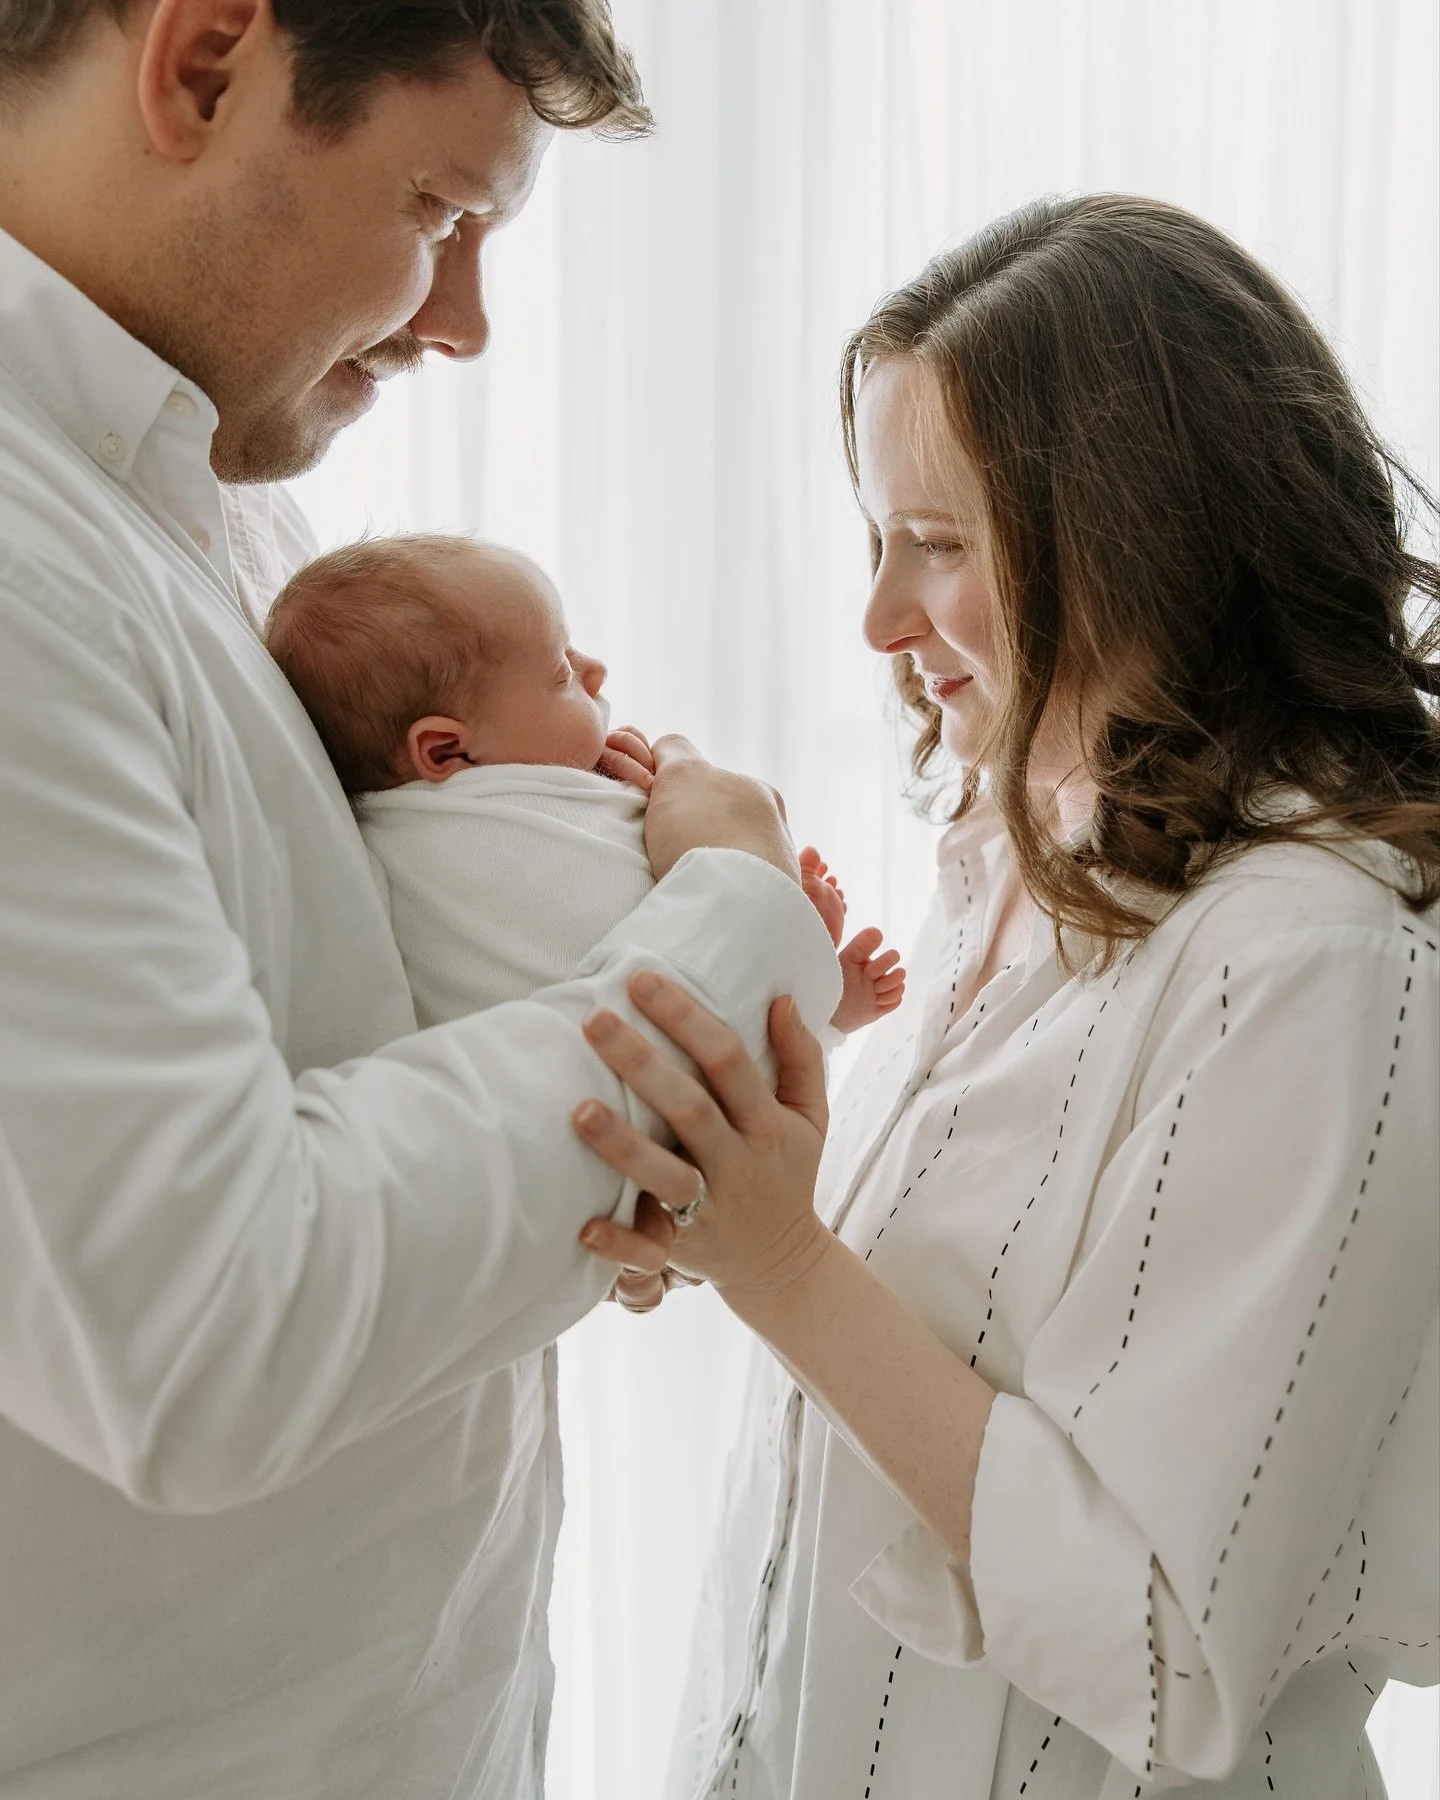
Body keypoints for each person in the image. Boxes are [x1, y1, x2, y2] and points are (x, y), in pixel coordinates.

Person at [0, 3, 844, 1794]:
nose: (460, 323)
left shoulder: (211, 515)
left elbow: (342, 1074)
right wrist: (730, 911)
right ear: (205, 59)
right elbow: (201, 1328)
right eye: (442, 210)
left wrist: (588, 1185)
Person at [574, 194, 1440, 1798]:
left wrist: (782, 1264)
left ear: (1146, 537)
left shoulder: (1318, 961)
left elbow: (1175, 1655)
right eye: (876, 539)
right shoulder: (1013, 865)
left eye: (941, 546)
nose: (879, 622)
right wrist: (720, 1211)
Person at [264, 531, 906, 1026]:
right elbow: (654, 928)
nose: (593, 669)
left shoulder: (382, 834)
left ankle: (813, 987)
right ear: (446, 751)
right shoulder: (515, 820)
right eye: (561, 672)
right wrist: (767, 879)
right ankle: (819, 1001)